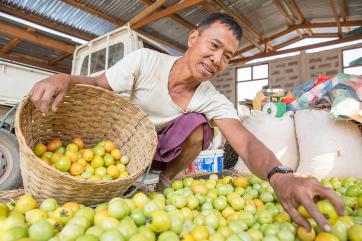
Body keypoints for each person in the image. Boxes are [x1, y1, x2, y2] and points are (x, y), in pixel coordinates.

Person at [29, 13, 344, 232]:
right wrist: (64, 77)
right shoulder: (145, 61)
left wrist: (280, 177)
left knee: (198, 124)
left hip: (159, 153)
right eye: (214, 46)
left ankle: (162, 182)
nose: (217, 60)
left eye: (227, 57)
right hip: (120, 148)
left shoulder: (213, 98)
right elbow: (98, 83)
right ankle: (126, 181)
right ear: (193, 37)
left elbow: (245, 143)